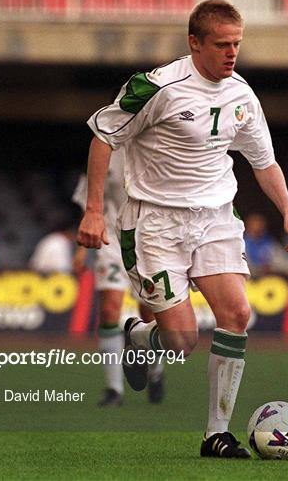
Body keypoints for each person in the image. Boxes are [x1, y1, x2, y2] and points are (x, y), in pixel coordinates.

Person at [77, 0, 288, 459]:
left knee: (237, 315)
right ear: (194, 42)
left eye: (237, 43)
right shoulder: (157, 87)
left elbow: (264, 161)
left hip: (217, 216)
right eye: (222, 44)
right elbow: (104, 137)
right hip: (154, 222)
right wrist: (94, 210)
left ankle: (215, 434)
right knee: (181, 340)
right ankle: (139, 337)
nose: (231, 52)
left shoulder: (242, 94)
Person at [72, 148, 165, 406]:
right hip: (111, 239)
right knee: (110, 310)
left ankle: (156, 372)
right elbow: (90, 200)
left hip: (147, 241)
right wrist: (81, 248)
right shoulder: (103, 147)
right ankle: (114, 389)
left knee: (150, 315)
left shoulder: (154, 143)